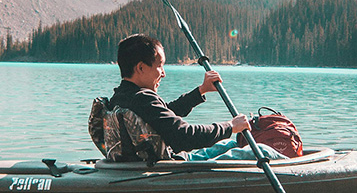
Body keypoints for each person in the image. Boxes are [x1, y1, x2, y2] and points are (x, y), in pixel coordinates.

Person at [107, 34, 286, 161]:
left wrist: (201, 91)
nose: (163, 73)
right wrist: (230, 126)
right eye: (160, 66)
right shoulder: (143, 98)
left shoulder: (121, 96)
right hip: (175, 165)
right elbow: (185, 136)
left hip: (149, 161)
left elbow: (164, 115)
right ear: (141, 68)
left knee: (230, 145)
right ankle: (295, 168)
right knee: (260, 150)